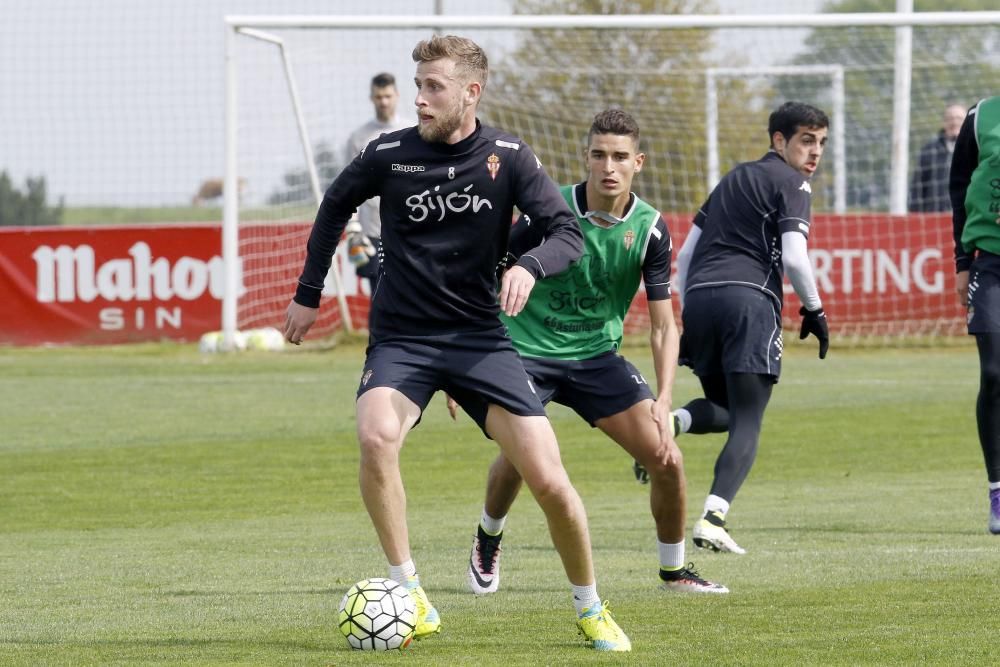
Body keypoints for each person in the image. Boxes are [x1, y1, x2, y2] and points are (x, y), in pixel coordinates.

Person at [283, 35, 631, 652]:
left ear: (471, 92)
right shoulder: (387, 153)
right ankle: (409, 591)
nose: (419, 99)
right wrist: (309, 292)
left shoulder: (509, 156)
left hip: (481, 342)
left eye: (433, 87)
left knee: (548, 480)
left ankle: (590, 606)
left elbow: (565, 233)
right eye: (418, 85)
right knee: (374, 435)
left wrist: (528, 266)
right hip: (403, 339)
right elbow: (334, 205)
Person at [456, 109, 728, 599]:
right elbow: (483, 278)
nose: (609, 166)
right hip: (524, 352)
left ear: (638, 162)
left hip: (597, 359)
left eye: (620, 157)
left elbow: (665, 324)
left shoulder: (649, 230)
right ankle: (488, 537)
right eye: (599, 154)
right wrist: (464, 361)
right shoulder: (547, 212)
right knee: (521, 456)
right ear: (586, 157)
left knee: (668, 459)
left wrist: (665, 399)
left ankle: (674, 572)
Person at [663, 101, 831, 555]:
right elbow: (795, 257)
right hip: (749, 302)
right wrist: (813, 310)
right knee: (750, 422)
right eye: (806, 140)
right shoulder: (793, 182)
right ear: (779, 140)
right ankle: (714, 517)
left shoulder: (733, 178)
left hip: (699, 299)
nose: (815, 153)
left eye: (821, 143)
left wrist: (686, 306)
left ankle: (672, 422)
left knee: (725, 408)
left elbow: (684, 256)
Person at [949, 96, 1000, 534]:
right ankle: (998, 493)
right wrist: (962, 262)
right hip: (991, 263)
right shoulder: (980, 116)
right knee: (995, 373)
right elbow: (959, 187)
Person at [343, 72, 411, 283]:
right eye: (379, 96)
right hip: (372, 231)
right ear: (372, 97)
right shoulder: (359, 137)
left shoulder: (413, 131)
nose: (383, 101)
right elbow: (349, 187)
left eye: (388, 96)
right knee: (378, 296)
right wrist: (353, 227)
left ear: (397, 95)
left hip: (408, 229)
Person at [910, 103, 967, 213]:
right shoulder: (929, 151)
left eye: (959, 118)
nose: (954, 122)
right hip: (934, 218)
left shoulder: (976, 150)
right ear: (944, 122)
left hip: (966, 218)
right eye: (950, 118)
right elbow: (916, 190)